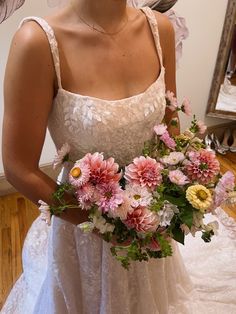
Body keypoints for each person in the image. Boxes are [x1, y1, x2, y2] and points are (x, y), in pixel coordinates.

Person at [1, 1, 236, 313]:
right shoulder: (38, 43)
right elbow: (19, 167)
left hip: (152, 219)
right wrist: (107, 227)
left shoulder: (159, 29)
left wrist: (173, 196)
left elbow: (168, 127)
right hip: (84, 227)